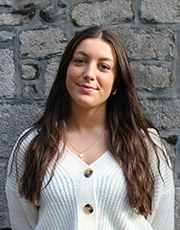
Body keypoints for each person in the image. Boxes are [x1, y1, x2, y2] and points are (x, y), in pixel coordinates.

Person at [6, 26, 174, 230]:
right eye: (80, 61)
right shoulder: (32, 145)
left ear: (116, 82)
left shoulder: (146, 146)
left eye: (104, 66)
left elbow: (162, 225)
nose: (89, 73)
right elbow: (24, 223)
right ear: (65, 69)